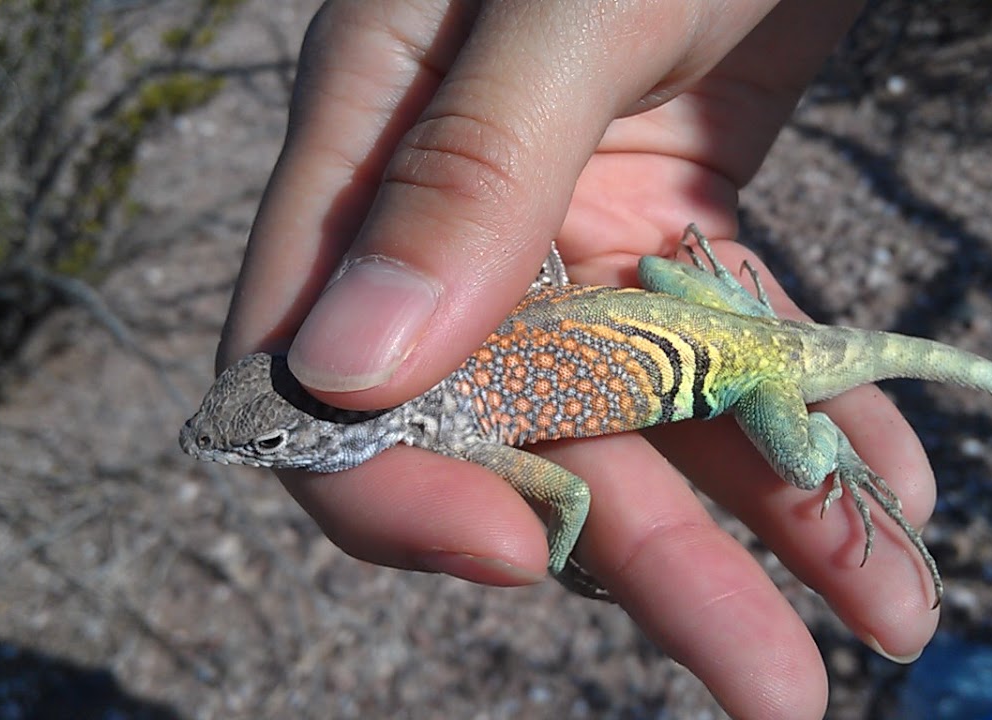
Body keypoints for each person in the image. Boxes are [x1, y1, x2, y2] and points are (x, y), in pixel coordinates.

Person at [217, 1, 938, 716]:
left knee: (803, 468)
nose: (249, 450)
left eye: (272, 442)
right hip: (694, 317)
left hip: (752, 370)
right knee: (656, 269)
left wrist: (561, 561)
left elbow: (572, 496)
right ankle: (738, 305)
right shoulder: (458, 351)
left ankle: (836, 451)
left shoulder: (461, 429)